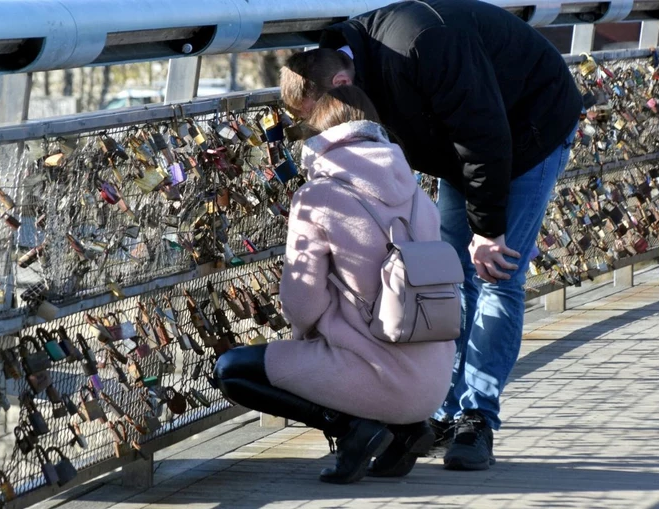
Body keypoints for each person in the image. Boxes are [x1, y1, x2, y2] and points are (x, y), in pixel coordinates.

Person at [279, 0, 581, 471]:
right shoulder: (343, 61)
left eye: (311, 118)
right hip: (464, 146)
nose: (313, 131)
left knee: (498, 274)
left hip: (527, 131)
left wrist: (488, 230)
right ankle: (438, 410)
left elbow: (485, 135)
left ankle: (476, 418)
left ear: (340, 85)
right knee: (447, 274)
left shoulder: (423, 45)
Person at [213, 85, 455, 484]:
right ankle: (406, 431)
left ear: (319, 137)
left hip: (377, 376)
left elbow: (302, 303)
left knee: (232, 369)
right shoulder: (417, 196)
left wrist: (306, 339)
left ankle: (352, 430)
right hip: (433, 381)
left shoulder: (318, 197)